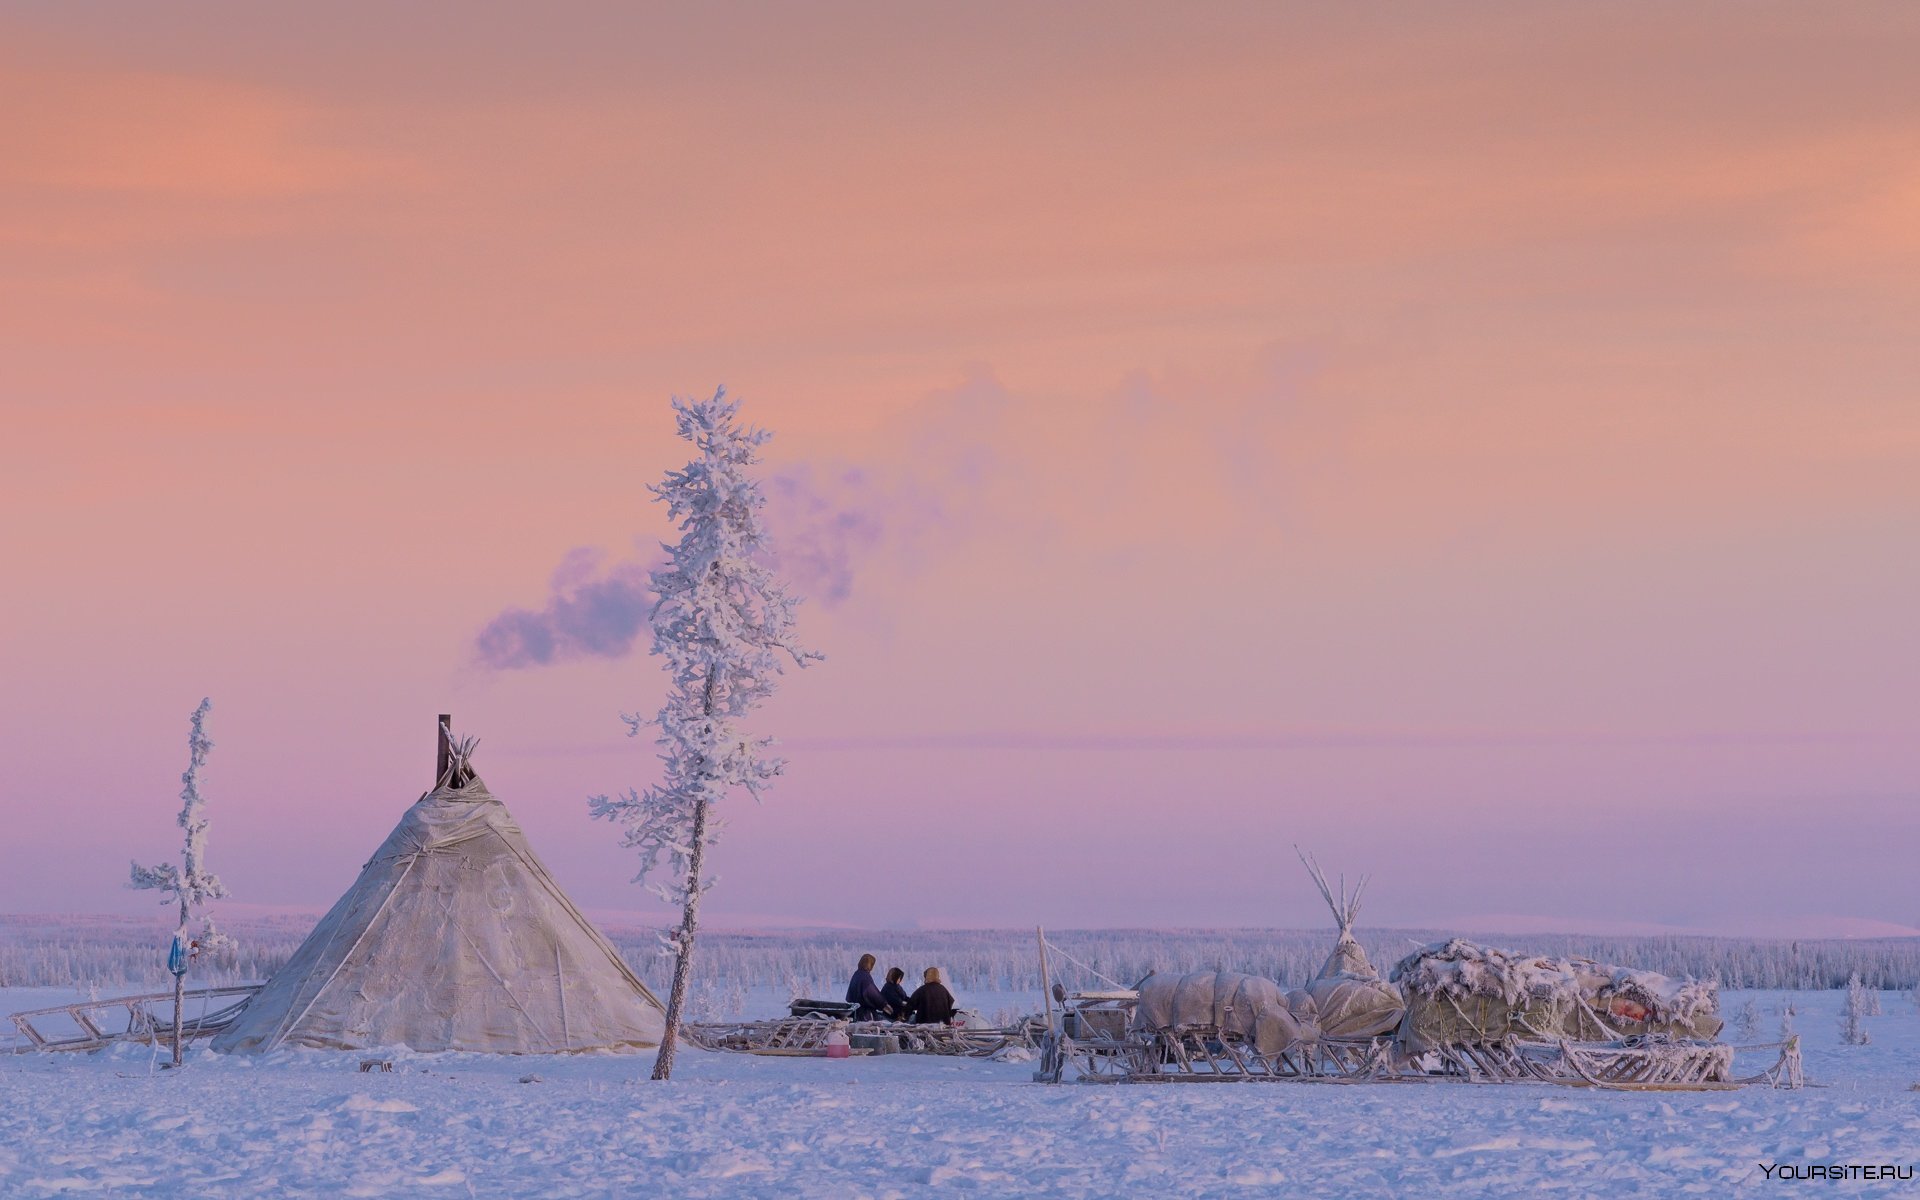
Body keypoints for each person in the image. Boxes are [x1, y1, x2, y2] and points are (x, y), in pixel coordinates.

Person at [844, 953, 888, 1021]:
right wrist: (884, 1004)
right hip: (865, 1015)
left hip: (855, 1013)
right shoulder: (865, 977)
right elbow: (872, 994)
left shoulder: (856, 974)